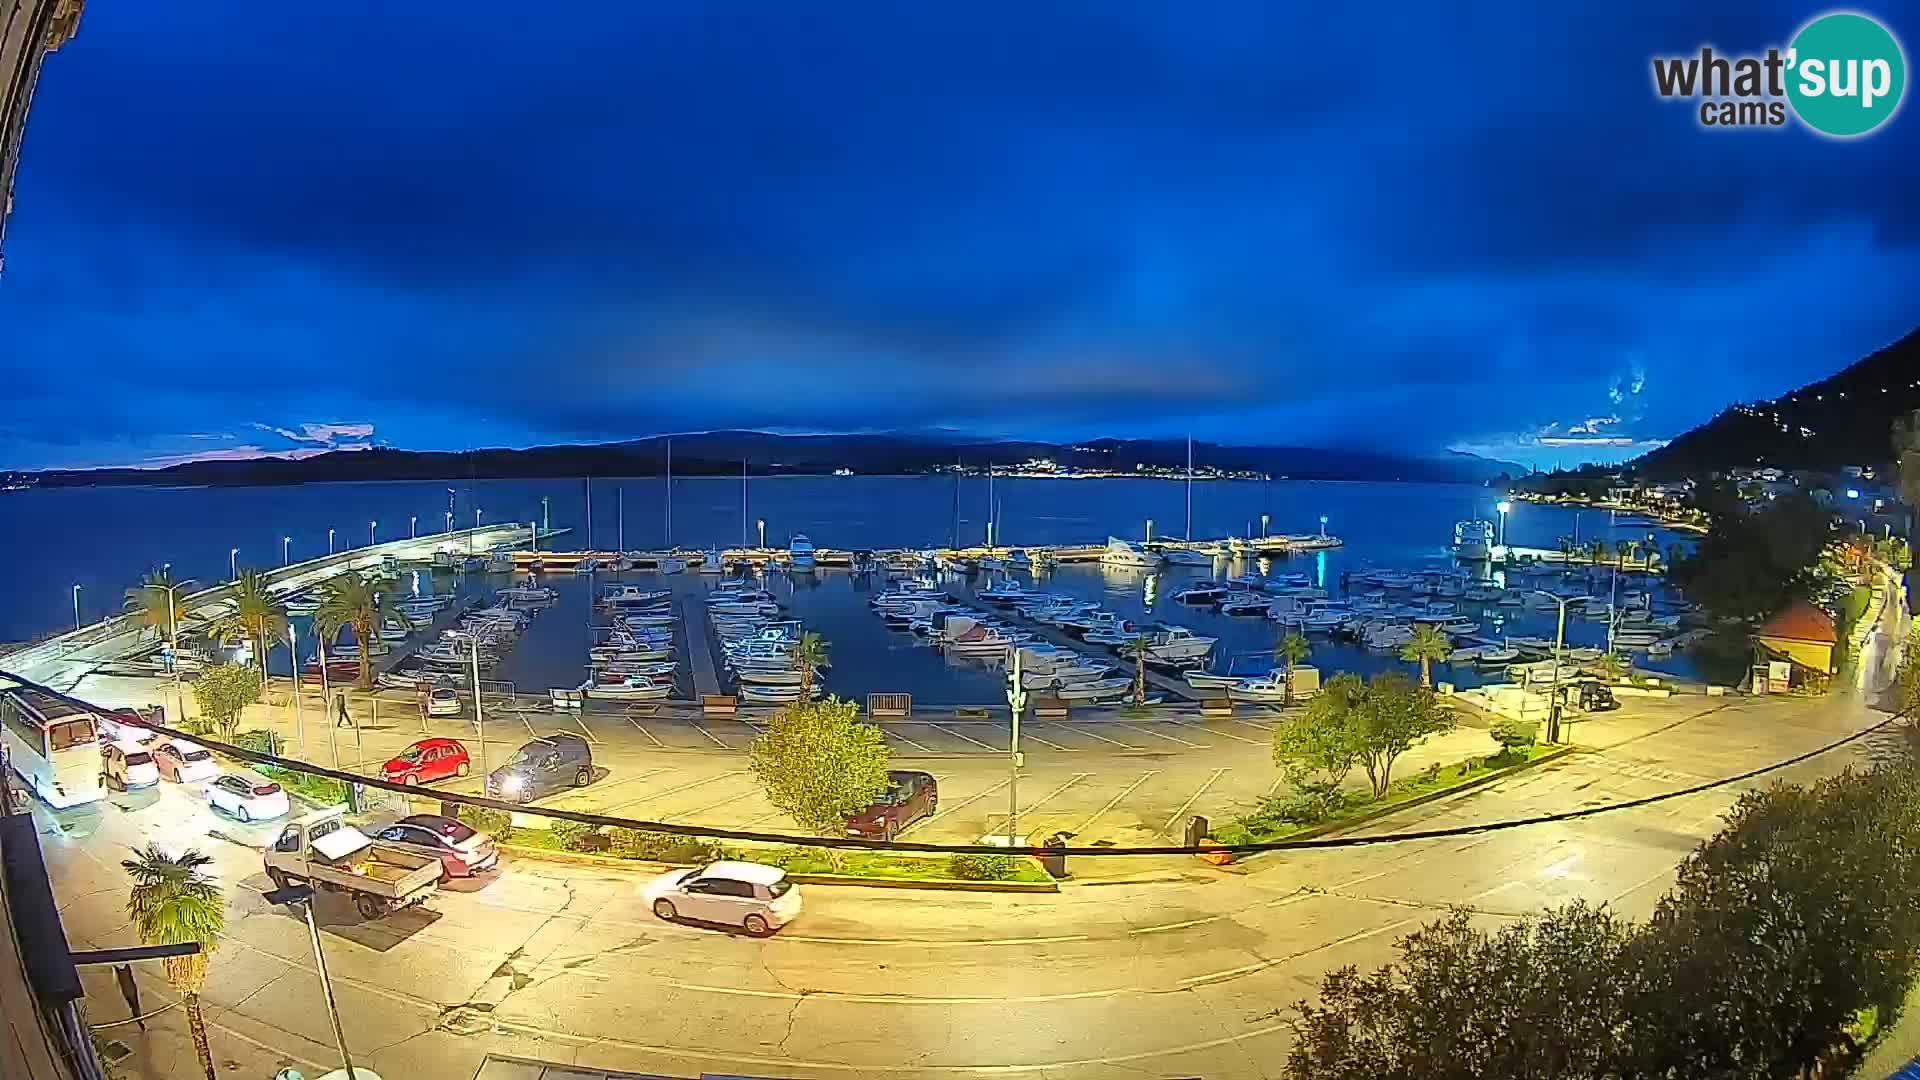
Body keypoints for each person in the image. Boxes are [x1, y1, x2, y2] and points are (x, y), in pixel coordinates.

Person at [113, 963, 144, 1031]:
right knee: (136, 1006)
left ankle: (139, 1021)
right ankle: (140, 1022)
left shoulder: (116, 967)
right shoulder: (127, 965)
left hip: (125, 991)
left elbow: (116, 981)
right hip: (131, 988)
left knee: (132, 1007)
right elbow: (134, 976)